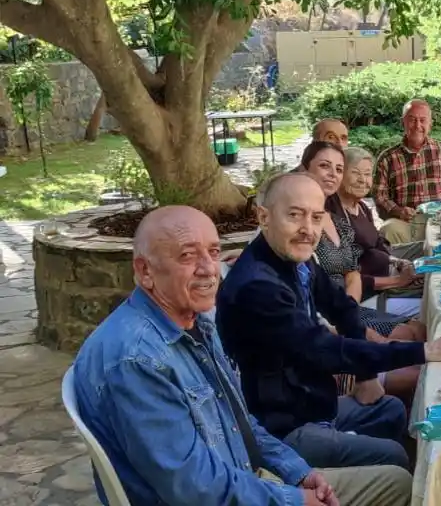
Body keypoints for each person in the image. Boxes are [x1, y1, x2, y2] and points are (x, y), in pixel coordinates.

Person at [72, 205, 413, 506]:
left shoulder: (195, 322)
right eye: (188, 256)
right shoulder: (137, 360)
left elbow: (239, 422)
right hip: (220, 494)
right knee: (400, 485)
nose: (208, 269)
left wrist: (299, 472)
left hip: (245, 479)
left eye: (213, 251)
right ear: (145, 271)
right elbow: (194, 488)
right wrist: (293, 499)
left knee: (396, 477)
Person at [217, 173, 441, 471]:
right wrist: (425, 351)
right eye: (295, 215)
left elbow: (342, 308)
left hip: (314, 403)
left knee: (392, 410)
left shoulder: (295, 257)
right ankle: (363, 478)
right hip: (282, 429)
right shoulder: (258, 286)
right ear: (264, 217)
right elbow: (326, 351)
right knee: (394, 457)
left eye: (316, 217)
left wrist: (366, 375)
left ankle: (354, 472)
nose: (308, 229)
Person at [299, 140, 424, 340]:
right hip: (326, 316)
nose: (333, 174)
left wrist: (348, 313)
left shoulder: (337, 222)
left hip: (346, 305)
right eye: (324, 166)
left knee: (421, 330)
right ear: (304, 170)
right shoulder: (302, 226)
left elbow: (353, 273)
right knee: (413, 334)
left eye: (338, 169)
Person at [329, 146, 427, 306]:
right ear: (340, 174)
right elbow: (346, 277)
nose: (362, 180)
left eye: (367, 174)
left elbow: (377, 243)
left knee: (434, 255)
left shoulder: (361, 207)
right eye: (355, 173)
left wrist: (397, 261)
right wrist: (397, 281)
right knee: (432, 294)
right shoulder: (333, 214)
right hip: (373, 292)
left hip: (388, 271)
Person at [373, 99, 441, 244]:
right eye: (412, 120)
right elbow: (379, 196)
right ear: (403, 122)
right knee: (388, 229)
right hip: (408, 223)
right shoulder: (388, 157)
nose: (417, 125)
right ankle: (399, 266)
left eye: (422, 120)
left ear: (430, 123)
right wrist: (398, 211)